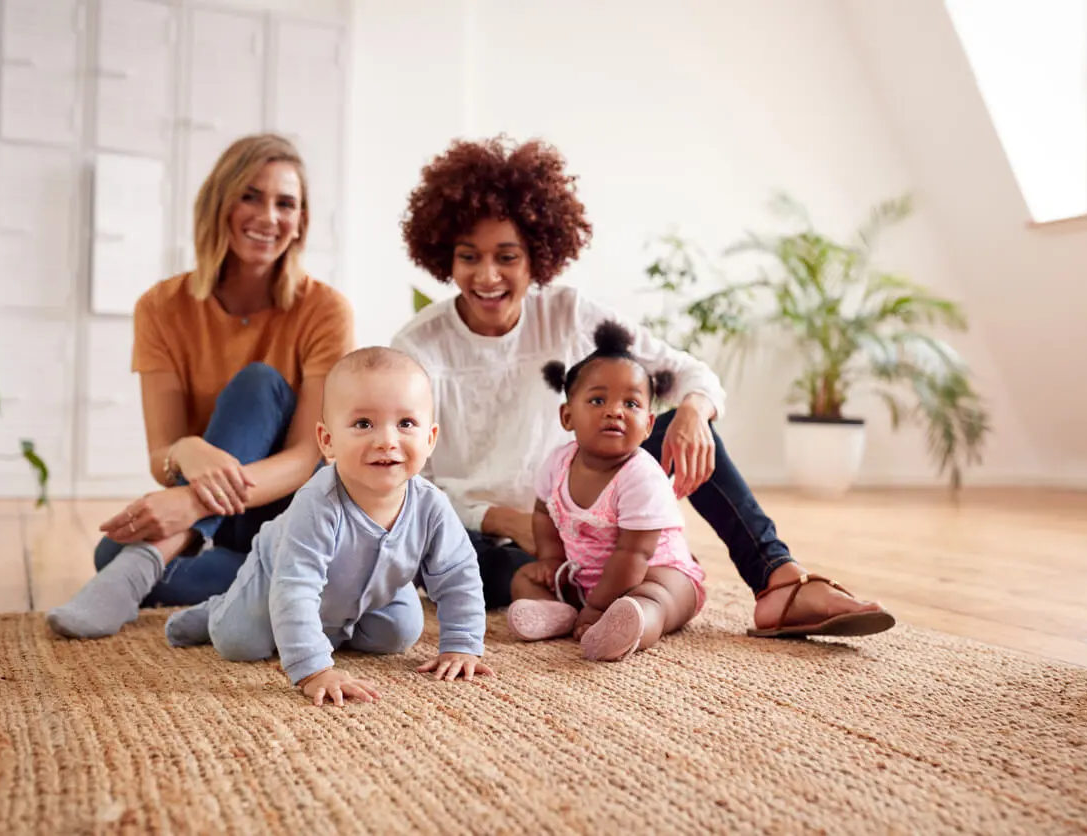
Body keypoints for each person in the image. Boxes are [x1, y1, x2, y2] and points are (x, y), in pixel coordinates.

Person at [391, 135, 895, 639]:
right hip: (489, 536)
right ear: (444, 256)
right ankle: (599, 596)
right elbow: (408, 481)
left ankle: (777, 580)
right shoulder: (418, 347)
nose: (487, 276)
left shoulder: (566, 313)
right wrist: (503, 519)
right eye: (468, 257)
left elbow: (692, 374)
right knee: (472, 566)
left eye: (507, 257)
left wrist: (695, 412)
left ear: (536, 256)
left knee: (676, 422)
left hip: (582, 514)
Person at [48, 133, 355, 640]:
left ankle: (145, 565)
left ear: (301, 222)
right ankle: (278, 584)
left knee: (259, 383)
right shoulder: (161, 307)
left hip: (287, 511)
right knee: (111, 549)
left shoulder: (324, 310)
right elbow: (161, 450)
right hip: (226, 521)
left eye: (286, 204)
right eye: (250, 195)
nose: (268, 216)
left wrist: (189, 503)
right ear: (220, 202)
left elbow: (307, 457)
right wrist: (187, 449)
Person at [164, 348, 492, 706]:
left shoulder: (432, 505)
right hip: (278, 575)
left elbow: (459, 574)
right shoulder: (318, 503)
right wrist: (314, 669)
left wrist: (462, 643)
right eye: (363, 424)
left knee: (399, 633)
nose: (386, 440)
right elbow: (296, 588)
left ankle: (332, 626)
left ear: (429, 439)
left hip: (366, 592)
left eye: (406, 424)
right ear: (328, 441)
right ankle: (217, 609)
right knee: (240, 642)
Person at [506, 321, 706, 662]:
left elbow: (634, 555)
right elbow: (543, 513)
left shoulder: (641, 477)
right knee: (524, 578)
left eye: (631, 404)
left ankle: (631, 626)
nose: (615, 411)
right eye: (598, 400)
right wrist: (551, 560)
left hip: (654, 570)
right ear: (567, 416)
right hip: (584, 577)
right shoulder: (557, 463)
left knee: (657, 597)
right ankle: (558, 613)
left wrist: (599, 606)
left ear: (648, 426)